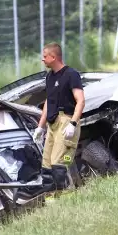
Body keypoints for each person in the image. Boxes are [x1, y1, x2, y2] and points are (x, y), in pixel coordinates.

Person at [33, 42, 85, 190]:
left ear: (53, 57)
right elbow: (48, 102)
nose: (42, 60)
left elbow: (80, 101)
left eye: (45, 56)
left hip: (66, 122)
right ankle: (51, 200)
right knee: (47, 167)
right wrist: (40, 127)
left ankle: (65, 195)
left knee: (58, 165)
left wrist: (73, 124)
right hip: (52, 124)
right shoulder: (49, 77)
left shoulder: (71, 74)